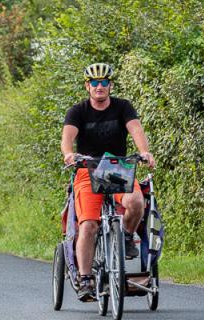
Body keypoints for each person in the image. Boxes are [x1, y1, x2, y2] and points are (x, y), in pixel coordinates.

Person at [61, 63, 156, 301]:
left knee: (136, 202)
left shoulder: (123, 106)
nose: (99, 86)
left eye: (104, 82)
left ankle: (125, 236)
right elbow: (68, 138)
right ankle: (85, 279)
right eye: (94, 83)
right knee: (88, 225)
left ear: (110, 86)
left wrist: (144, 152)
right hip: (87, 169)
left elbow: (135, 129)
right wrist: (69, 154)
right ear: (87, 87)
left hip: (118, 167)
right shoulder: (78, 111)